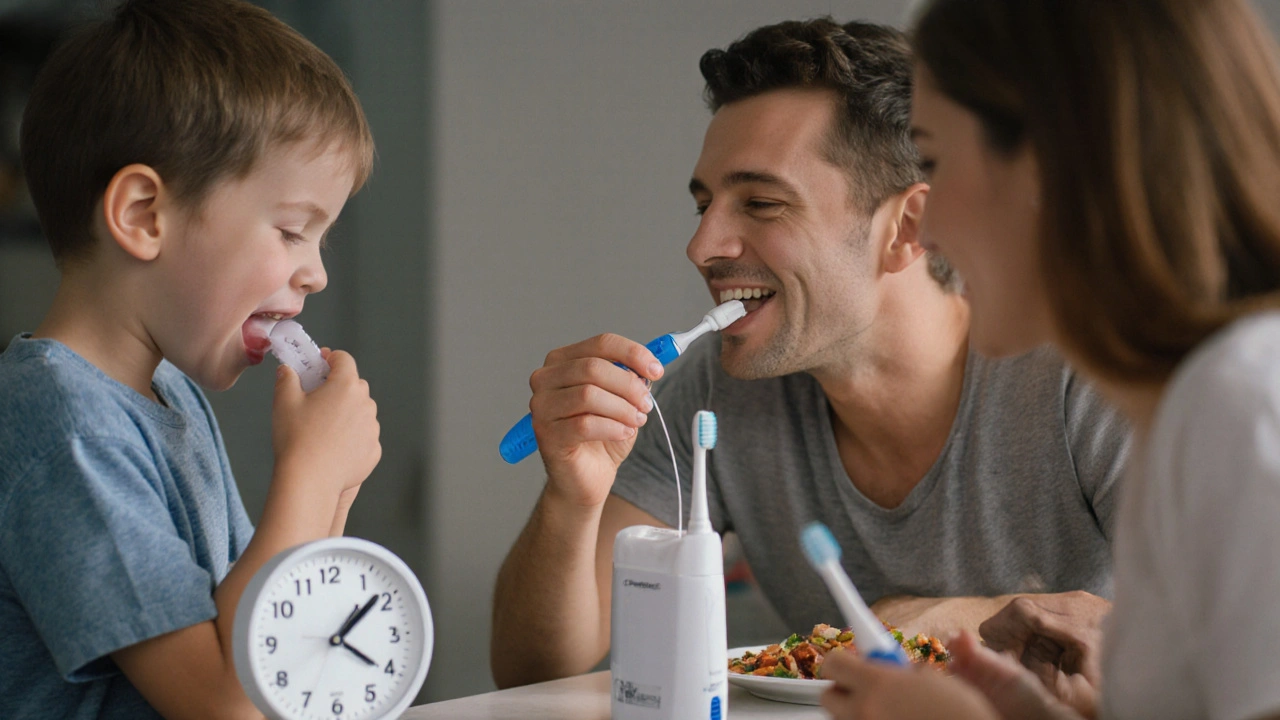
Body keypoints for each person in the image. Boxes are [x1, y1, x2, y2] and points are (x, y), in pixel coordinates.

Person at [491, 17, 1129, 689]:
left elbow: (1205, 627)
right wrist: (572, 497)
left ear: (908, 228)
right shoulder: (716, 393)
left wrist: (955, 619)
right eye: (705, 206)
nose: (702, 247)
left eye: (762, 203)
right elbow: (532, 669)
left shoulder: (1086, 372)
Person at [820, 1, 1280, 719]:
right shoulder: (1184, 409)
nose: (927, 232)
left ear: (1053, 160)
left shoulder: (1240, 403)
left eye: (935, 159)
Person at [0, 1, 381, 717]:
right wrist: (309, 472)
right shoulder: (65, 430)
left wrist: (335, 485)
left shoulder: (171, 395)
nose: (317, 274)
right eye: (292, 231)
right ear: (143, 215)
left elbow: (279, 631)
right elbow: (227, 703)